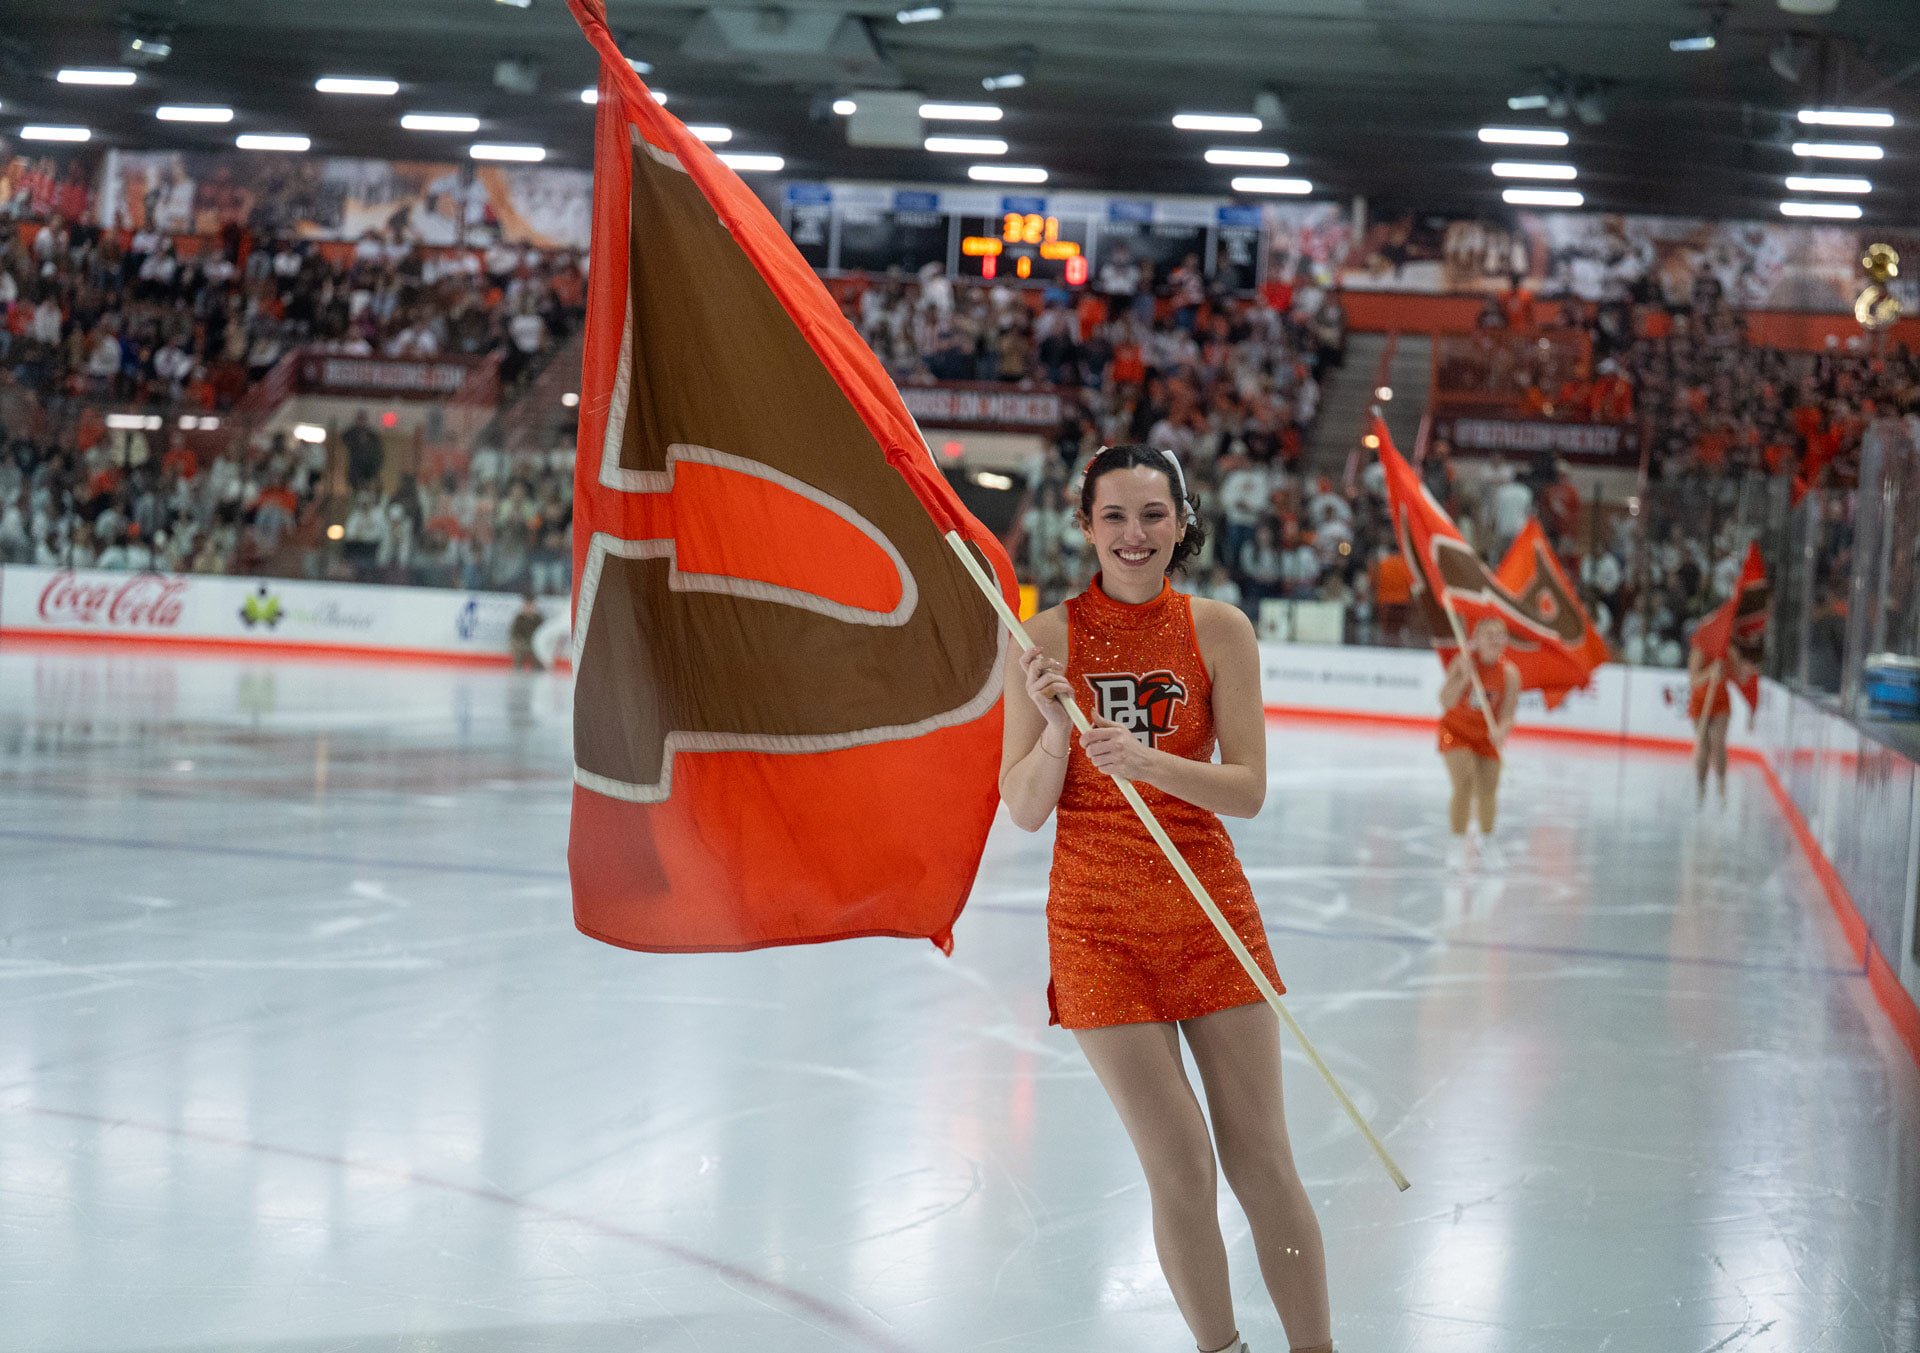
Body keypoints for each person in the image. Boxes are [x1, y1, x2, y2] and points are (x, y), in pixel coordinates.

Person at [999, 443, 1331, 1353]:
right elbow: (1023, 808)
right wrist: (1061, 739)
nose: (1134, 534)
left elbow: (1250, 786)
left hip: (1206, 907)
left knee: (1260, 1158)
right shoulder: (1041, 639)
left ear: (1182, 521)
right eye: (1115, 515)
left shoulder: (1220, 629)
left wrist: (1146, 761)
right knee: (1179, 1163)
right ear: (1086, 525)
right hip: (1096, 925)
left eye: (1153, 514)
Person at [1438, 617, 1520, 868]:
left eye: (1500, 634)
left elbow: (1508, 713)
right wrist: (1462, 678)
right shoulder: (1463, 662)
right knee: (1464, 783)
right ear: (1476, 638)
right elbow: (1445, 701)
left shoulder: (1510, 673)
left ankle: (1488, 841)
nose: (1495, 639)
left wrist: (1502, 731)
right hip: (1455, 732)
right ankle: (1456, 843)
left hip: (1485, 738)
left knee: (1488, 790)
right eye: (1489, 633)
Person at [1687, 643, 1753, 804]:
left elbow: (1739, 678)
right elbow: (1693, 680)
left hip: (1721, 702)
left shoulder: (1730, 651)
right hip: (1699, 702)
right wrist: (1710, 672)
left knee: (1718, 741)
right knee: (1703, 744)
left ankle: (1721, 783)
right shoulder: (1698, 651)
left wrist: (1745, 672)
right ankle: (1701, 785)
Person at [509, 592, 545, 671]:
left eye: (531, 605)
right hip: (522, 642)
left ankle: (537, 668)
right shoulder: (519, 618)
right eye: (527, 605)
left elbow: (543, 633)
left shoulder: (538, 618)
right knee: (517, 647)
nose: (529, 607)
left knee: (538, 652)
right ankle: (518, 668)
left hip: (534, 642)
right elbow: (514, 633)